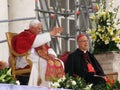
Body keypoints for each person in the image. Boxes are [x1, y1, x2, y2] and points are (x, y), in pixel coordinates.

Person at [11, 20, 64, 87]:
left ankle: (55, 85)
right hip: (25, 58)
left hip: (36, 57)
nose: (40, 30)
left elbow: (47, 47)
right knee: (44, 62)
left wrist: (51, 54)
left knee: (59, 62)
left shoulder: (35, 36)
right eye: (38, 28)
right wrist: (51, 33)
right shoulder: (24, 35)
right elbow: (35, 42)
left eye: (41, 29)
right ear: (31, 27)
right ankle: (43, 86)